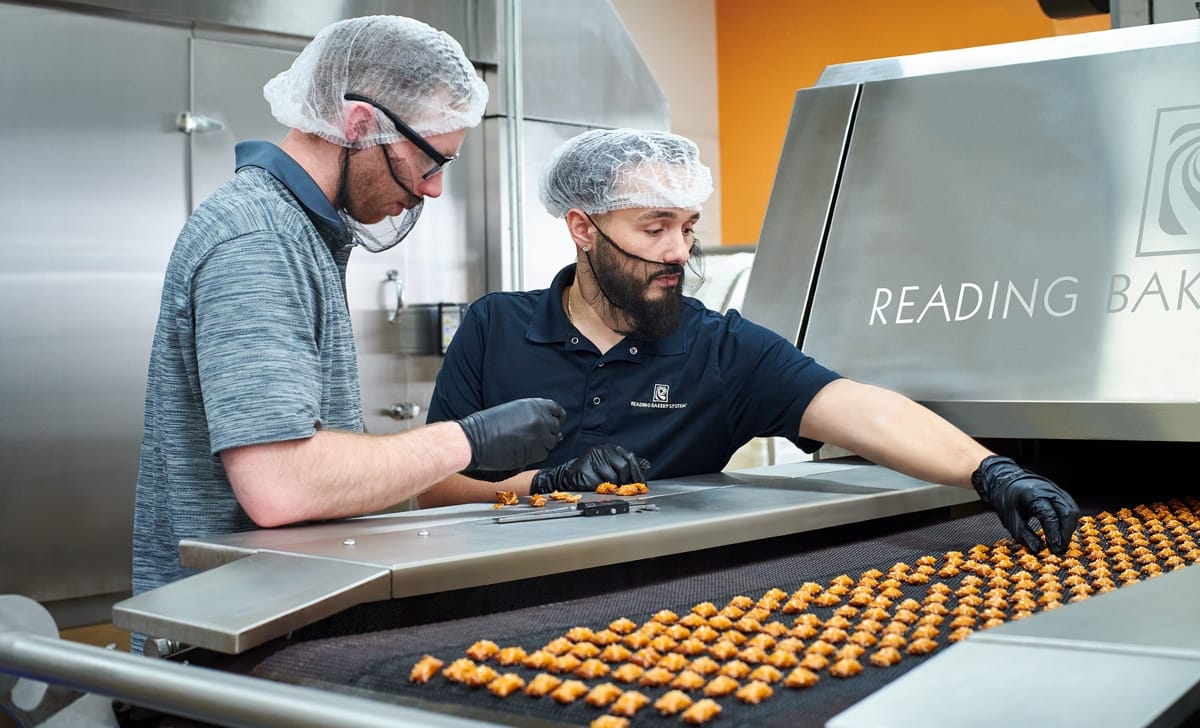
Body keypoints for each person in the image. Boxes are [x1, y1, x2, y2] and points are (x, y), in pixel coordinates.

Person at [420, 127, 1080, 557]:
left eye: (687, 227)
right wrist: (548, 482)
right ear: (583, 229)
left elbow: (859, 408)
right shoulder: (494, 327)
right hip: (481, 590)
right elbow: (434, 486)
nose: (678, 252)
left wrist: (989, 470)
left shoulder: (718, 348)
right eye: (654, 228)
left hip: (659, 598)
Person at [132, 16, 565, 614]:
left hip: (273, 609)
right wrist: (466, 441)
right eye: (429, 161)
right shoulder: (259, 237)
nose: (433, 190)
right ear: (359, 124)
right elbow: (281, 485)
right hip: (228, 630)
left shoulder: (303, 233)